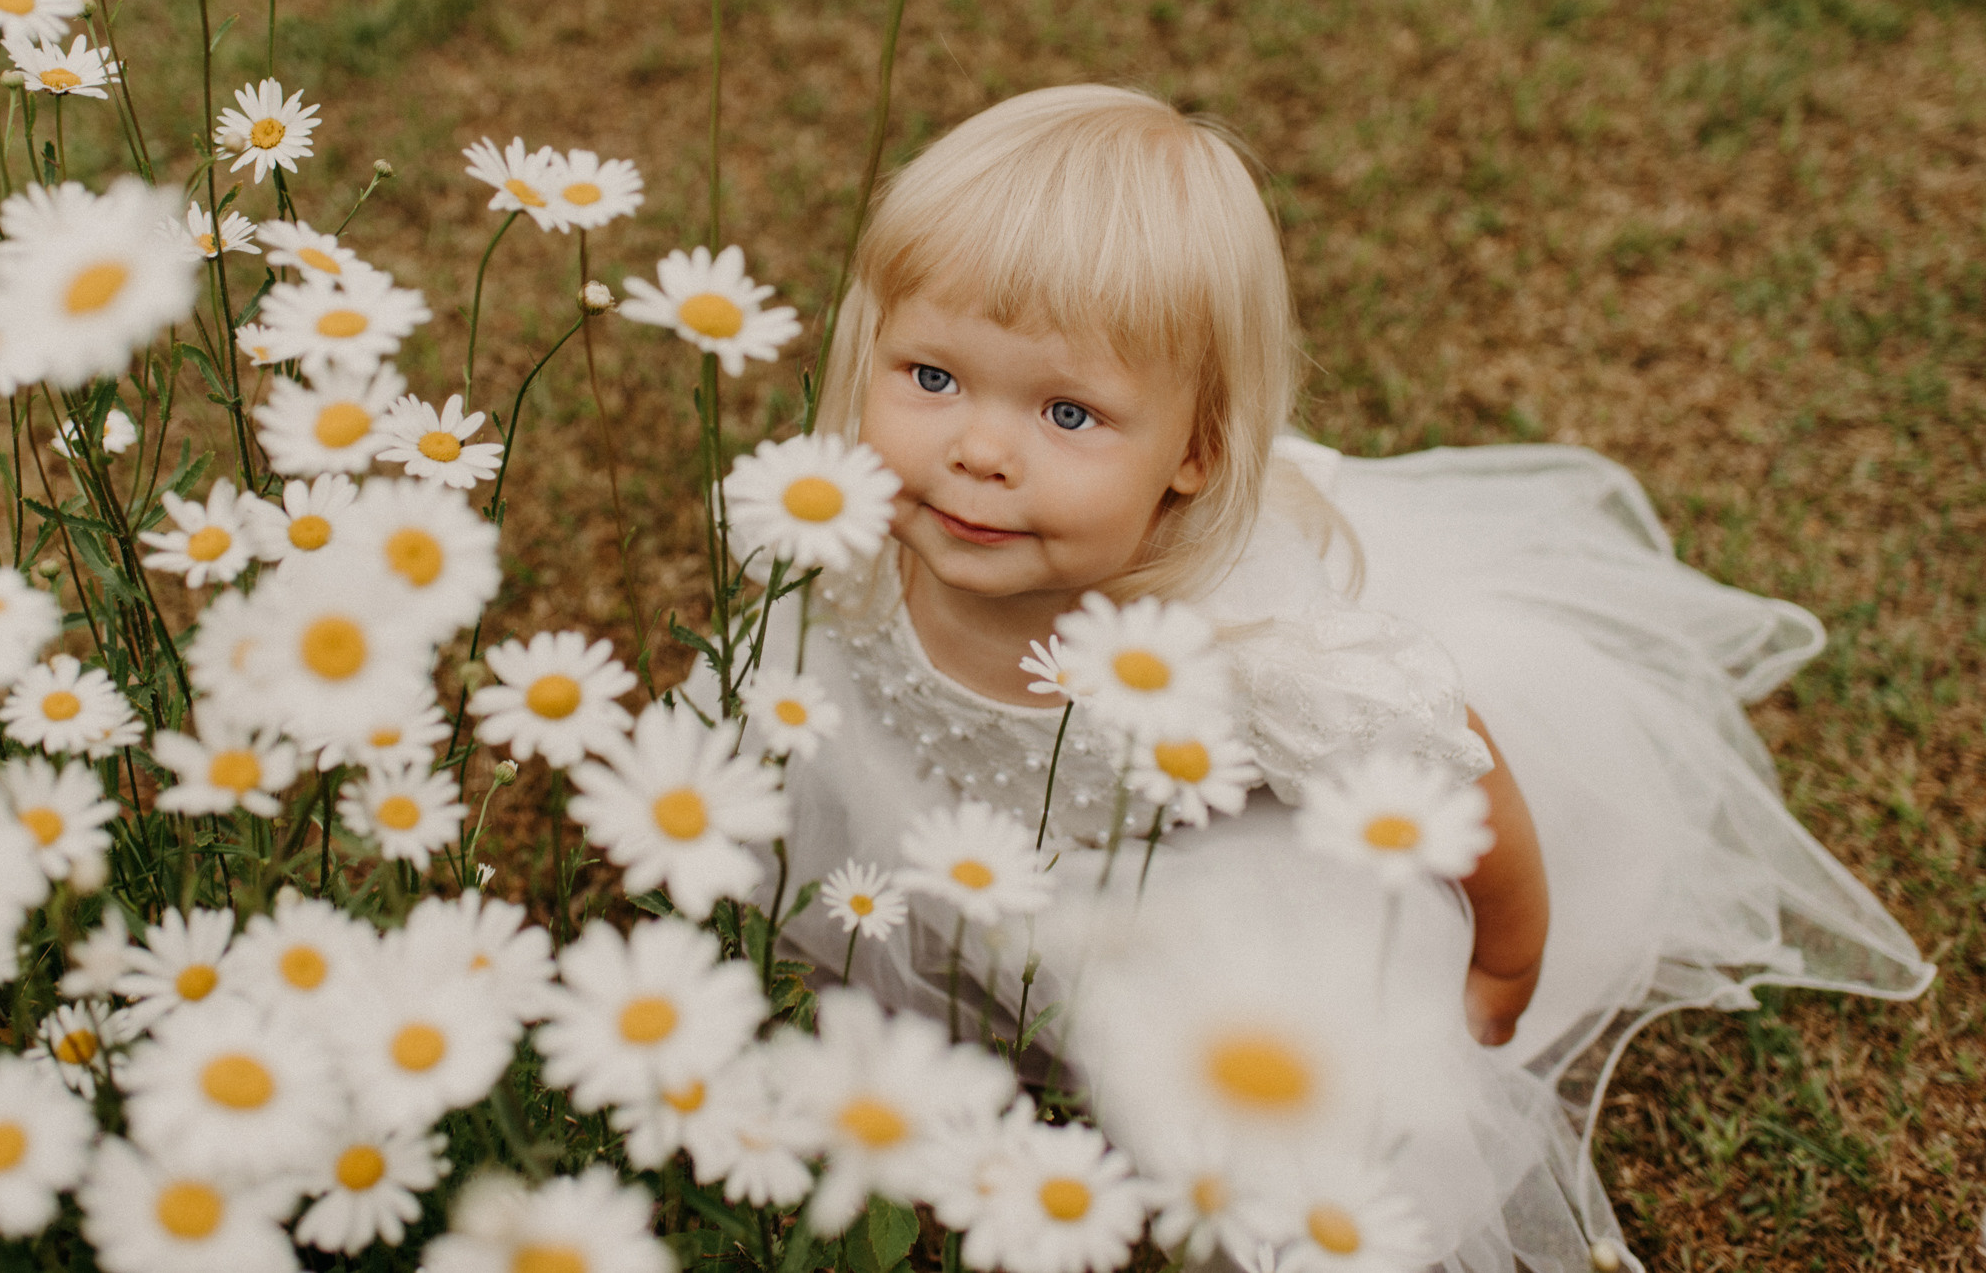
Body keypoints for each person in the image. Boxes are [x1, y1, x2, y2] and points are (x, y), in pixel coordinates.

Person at [759, 84, 1933, 1272]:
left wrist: (1509, 953)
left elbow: (1455, 788)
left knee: (1281, 1150)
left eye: (1068, 411)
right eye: (932, 377)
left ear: (1195, 451)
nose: (977, 449)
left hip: (1211, 888)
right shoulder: (844, 533)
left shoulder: (1253, 653)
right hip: (960, 836)